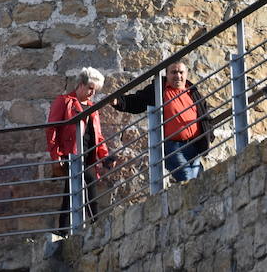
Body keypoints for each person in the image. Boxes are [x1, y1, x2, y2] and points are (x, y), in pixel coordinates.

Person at [112, 60, 212, 182]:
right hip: (173, 147)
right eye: (173, 72)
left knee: (200, 181)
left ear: (186, 74)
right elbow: (138, 101)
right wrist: (118, 102)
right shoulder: (160, 89)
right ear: (167, 74)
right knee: (188, 179)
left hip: (194, 144)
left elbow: (205, 114)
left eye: (181, 72)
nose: (178, 76)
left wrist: (209, 135)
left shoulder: (193, 91)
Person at [45, 67, 112, 232]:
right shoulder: (64, 101)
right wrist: (56, 156)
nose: (92, 93)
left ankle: (63, 231)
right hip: (71, 154)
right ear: (80, 85)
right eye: (90, 88)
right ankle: (96, 225)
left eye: (95, 90)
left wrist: (105, 156)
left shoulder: (92, 107)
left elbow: (98, 135)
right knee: (89, 182)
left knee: (71, 192)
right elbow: (52, 129)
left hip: (87, 155)